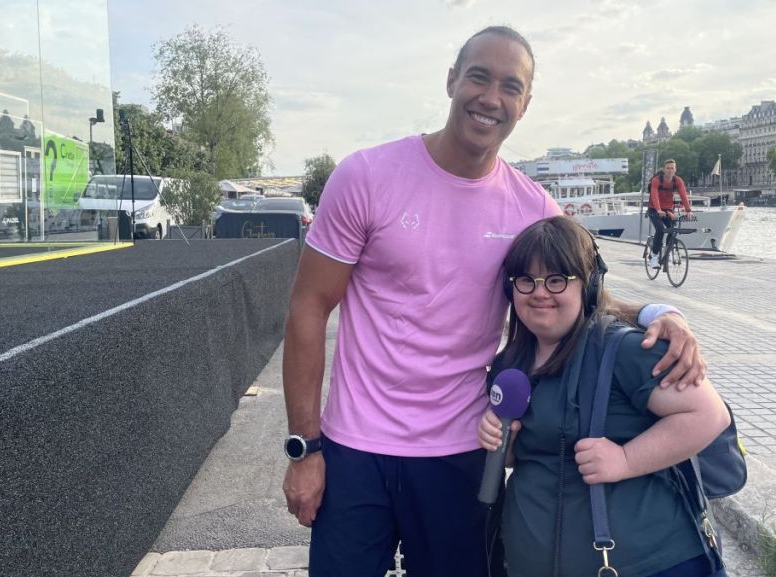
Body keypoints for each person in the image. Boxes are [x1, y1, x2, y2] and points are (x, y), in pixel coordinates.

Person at [281, 26, 708, 577]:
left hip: (463, 454)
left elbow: (579, 292)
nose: (491, 98)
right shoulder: (366, 177)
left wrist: (657, 313)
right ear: (452, 80)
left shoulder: (532, 207)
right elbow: (308, 306)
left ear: (525, 105)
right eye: (479, 77)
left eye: (511, 86)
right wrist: (304, 448)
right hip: (354, 448)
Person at [479, 216, 731, 577]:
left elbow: (708, 415)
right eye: (526, 280)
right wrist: (503, 440)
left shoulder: (625, 349)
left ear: (589, 285)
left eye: (556, 280)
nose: (539, 292)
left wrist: (626, 459)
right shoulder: (510, 365)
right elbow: (526, 456)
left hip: (646, 564)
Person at [647, 158, 693, 268]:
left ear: (675, 170)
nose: (670, 170)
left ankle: (668, 251)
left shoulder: (678, 181)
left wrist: (688, 211)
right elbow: (654, 195)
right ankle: (654, 257)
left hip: (668, 210)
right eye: (668, 168)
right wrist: (658, 209)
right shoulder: (657, 180)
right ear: (664, 169)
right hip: (654, 209)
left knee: (673, 230)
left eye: (672, 168)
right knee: (660, 230)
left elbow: (683, 195)